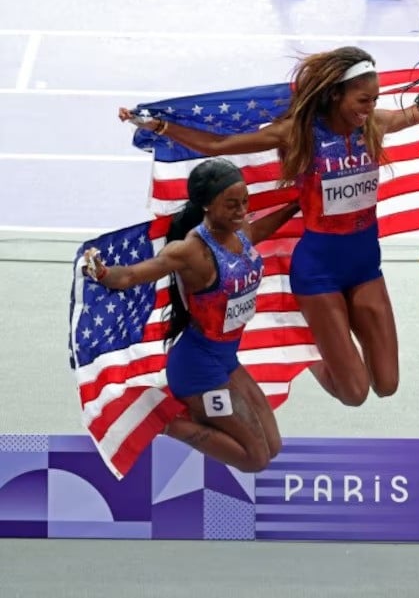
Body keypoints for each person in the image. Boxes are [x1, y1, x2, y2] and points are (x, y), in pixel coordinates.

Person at [119, 46, 419, 407]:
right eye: (363, 99)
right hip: (318, 274)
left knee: (387, 384)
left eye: (375, 99)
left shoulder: (374, 125)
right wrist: (160, 125)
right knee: (355, 394)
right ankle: (305, 349)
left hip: (365, 268)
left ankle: (315, 338)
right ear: (334, 94)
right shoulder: (299, 135)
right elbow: (221, 143)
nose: (370, 107)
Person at [82, 159, 301, 472]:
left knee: (273, 445)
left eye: (244, 202)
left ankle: (196, 413)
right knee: (256, 459)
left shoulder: (239, 233)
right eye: (232, 205)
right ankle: (163, 419)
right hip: (197, 369)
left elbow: (260, 230)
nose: (241, 211)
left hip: (226, 359)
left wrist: (296, 205)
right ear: (207, 206)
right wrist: (102, 273)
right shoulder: (190, 252)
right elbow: (131, 276)